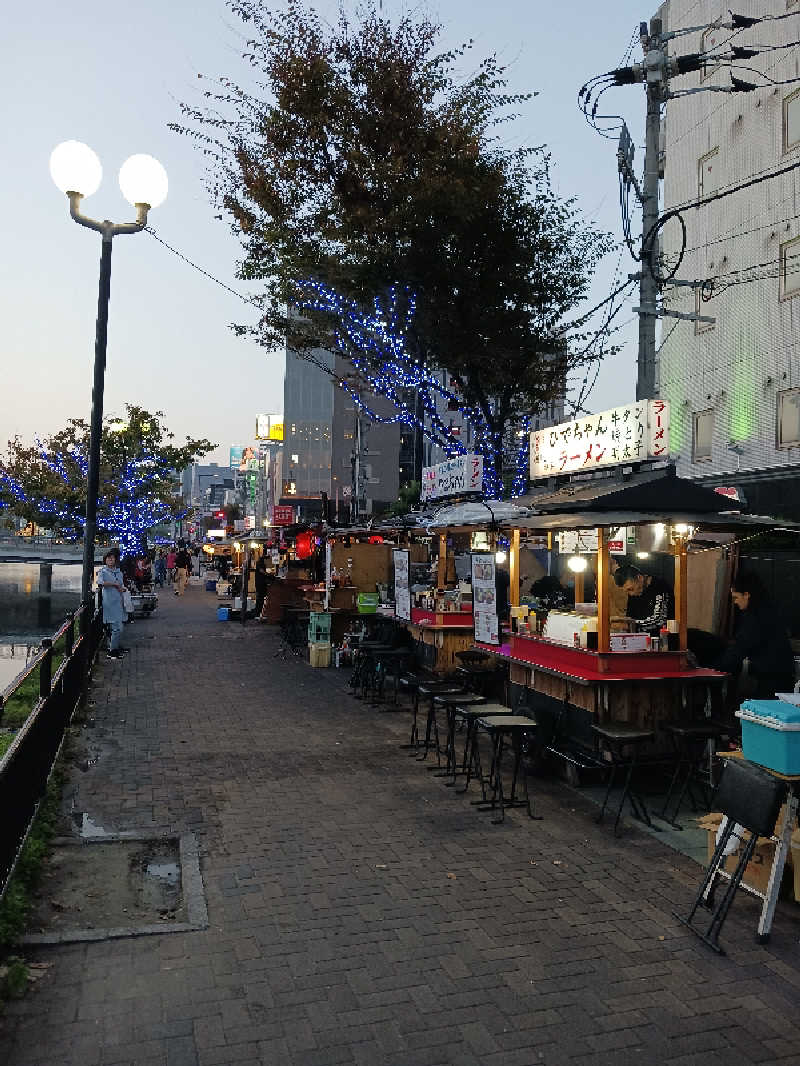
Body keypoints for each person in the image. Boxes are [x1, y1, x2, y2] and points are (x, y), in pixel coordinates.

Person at [714, 572, 795, 698]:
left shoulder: (755, 618)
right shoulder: (767, 609)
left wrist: (712, 669)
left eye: (736, 597)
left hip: (772, 679)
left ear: (747, 595)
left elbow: (739, 648)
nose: (735, 602)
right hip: (781, 675)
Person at [614, 563, 675, 633]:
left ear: (640, 578)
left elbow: (659, 620)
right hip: (639, 640)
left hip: (663, 640)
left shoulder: (660, 586)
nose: (631, 594)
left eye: (631, 589)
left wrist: (630, 624)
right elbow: (630, 618)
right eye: (627, 591)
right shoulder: (634, 594)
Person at [97, 548, 127, 659]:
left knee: (119, 626)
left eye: (112, 558)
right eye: (108, 558)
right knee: (116, 627)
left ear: (116, 560)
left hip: (118, 602)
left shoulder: (118, 572)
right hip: (109, 603)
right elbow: (100, 582)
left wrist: (121, 589)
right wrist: (114, 584)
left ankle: (114, 647)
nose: (110, 560)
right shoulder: (103, 571)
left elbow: (121, 585)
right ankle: (112, 651)